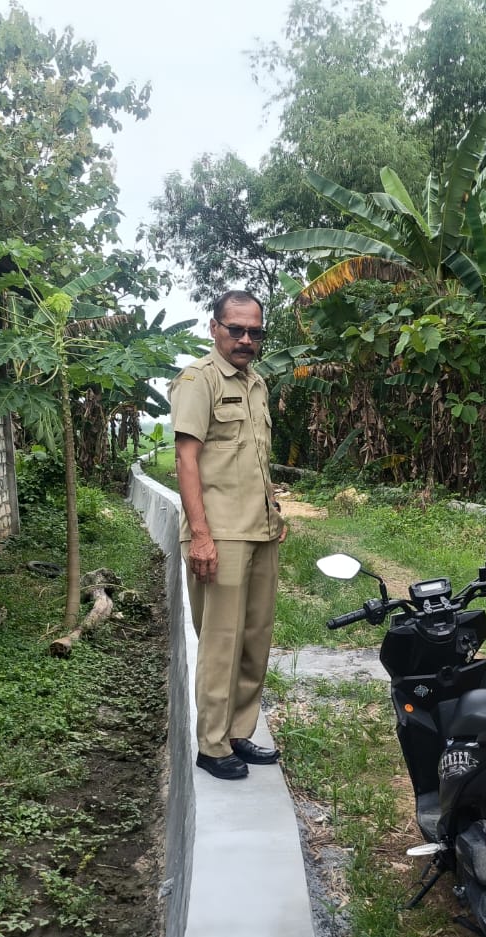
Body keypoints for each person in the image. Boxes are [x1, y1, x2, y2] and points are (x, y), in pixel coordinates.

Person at [170, 290, 286, 781]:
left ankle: (240, 732)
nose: (244, 339)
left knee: (254, 640)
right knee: (221, 641)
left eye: (254, 331)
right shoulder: (200, 380)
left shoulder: (255, 384)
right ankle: (212, 745)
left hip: (258, 531)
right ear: (214, 327)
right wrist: (200, 535)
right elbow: (186, 459)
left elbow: (251, 457)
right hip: (219, 534)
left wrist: (274, 512)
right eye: (235, 329)